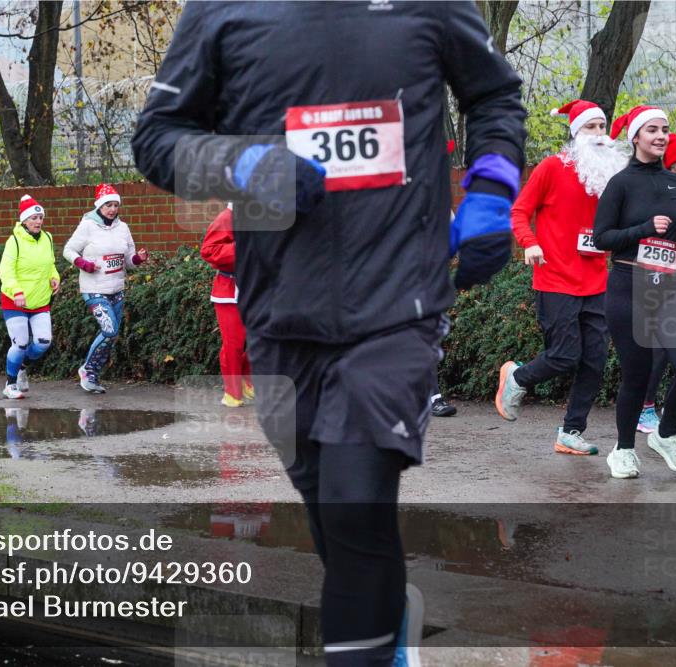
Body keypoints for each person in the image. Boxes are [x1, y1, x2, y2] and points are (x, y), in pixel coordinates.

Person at [131, 4, 526, 665]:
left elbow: (494, 95)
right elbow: (157, 139)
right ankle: (386, 616)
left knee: (352, 498)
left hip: (399, 300)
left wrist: (491, 189)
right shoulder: (223, 10)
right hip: (278, 309)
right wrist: (244, 165)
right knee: (329, 510)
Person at [496, 100, 628, 455]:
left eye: (602, 127)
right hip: (555, 278)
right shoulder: (552, 168)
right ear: (575, 132)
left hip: (596, 279)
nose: (599, 135)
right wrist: (530, 243)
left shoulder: (611, 176)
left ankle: (571, 432)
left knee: (595, 359)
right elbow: (520, 211)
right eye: (591, 127)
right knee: (565, 356)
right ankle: (517, 377)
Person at [593, 105, 676, 478]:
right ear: (635, 137)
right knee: (637, 375)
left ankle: (665, 433)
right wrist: (642, 228)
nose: (660, 136)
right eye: (652, 129)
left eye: (665, 129)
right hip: (629, 286)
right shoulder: (620, 183)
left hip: (669, 287)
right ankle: (623, 450)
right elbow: (601, 238)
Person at [636, 133, 676, 434]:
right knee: (658, 347)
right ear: (671, 160)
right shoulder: (654, 184)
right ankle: (644, 409)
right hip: (653, 274)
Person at [63, 184, 148, 394]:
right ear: (99, 206)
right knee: (109, 330)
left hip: (117, 288)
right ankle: (87, 370)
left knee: (112, 335)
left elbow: (128, 260)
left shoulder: (123, 228)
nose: (112, 209)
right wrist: (84, 264)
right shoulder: (88, 225)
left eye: (115, 205)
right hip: (93, 288)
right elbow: (68, 250)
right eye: (108, 205)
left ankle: (92, 374)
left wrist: (138, 259)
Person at [0, 195, 60, 399]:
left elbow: (50, 264)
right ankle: (10, 384)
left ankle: (22, 366)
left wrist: (54, 277)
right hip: (15, 301)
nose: (38, 221)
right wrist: (16, 291)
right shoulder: (14, 241)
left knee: (43, 342)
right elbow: (6, 270)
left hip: (40, 301)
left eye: (40, 217)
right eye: (33, 218)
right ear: (24, 220)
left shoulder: (47, 238)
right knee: (21, 343)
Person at [200, 203, 255, 407]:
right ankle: (233, 392)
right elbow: (209, 250)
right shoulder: (227, 217)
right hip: (230, 291)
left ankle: (247, 379)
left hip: (259, 288)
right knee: (234, 344)